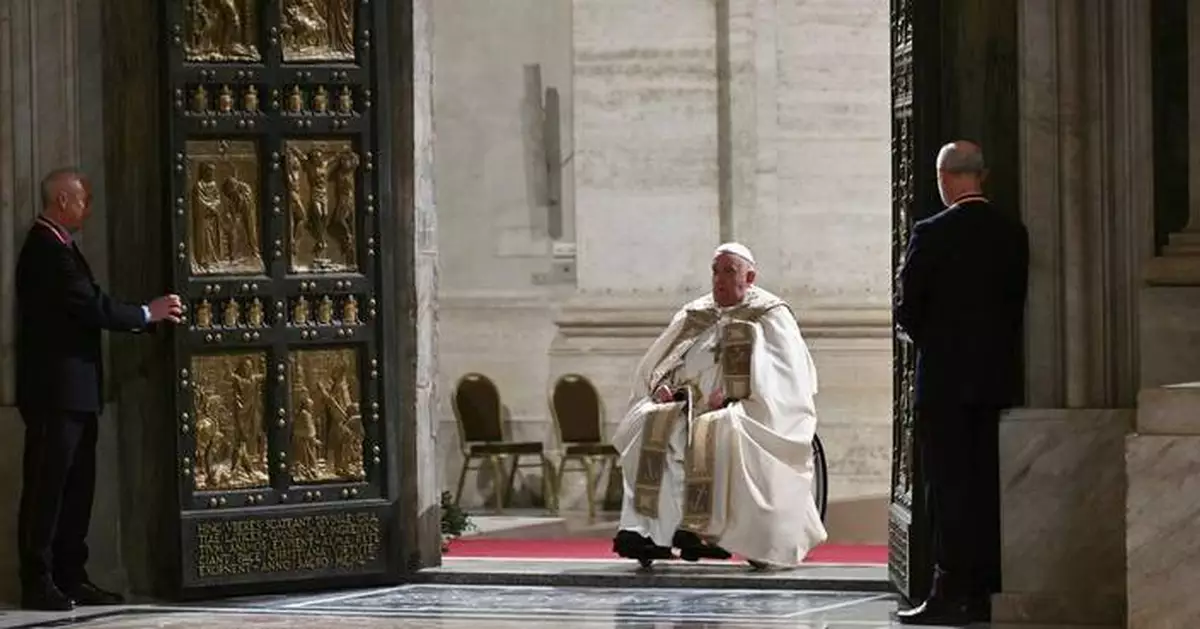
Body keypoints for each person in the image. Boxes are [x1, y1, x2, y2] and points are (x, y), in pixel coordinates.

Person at [15, 167, 183, 610]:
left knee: (77, 489)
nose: (89, 206)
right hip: (55, 393)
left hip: (76, 391)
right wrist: (147, 314)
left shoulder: (61, 246)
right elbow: (90, 306)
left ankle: (71, 574)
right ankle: (39, 579)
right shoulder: (45, 250)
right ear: (62, 201)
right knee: (47, 490)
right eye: (84, 198)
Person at [611, 242, 827, 568]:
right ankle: (648, 532)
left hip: (747, 408)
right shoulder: (697, 313)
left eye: (729, 271)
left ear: (749, 276)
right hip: (686, 406)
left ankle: (704, 531)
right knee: (650, 421)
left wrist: (733, 394)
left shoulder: (770, 314)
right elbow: (660, 362)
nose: (719, 279)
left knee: (719, 428)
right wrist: (663, 388)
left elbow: (786, 376)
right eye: (715, 271)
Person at [894, 141, 1029, 626]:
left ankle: (950, 593)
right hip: (996, 380)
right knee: (988, 485)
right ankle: (988, 590)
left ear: (944, 179)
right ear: (982, 175)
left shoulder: (931, 232)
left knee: (948, 489)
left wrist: (941, 342)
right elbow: (1015, 307)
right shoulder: (1013, 233)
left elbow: (908, 311)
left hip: (945, 384)